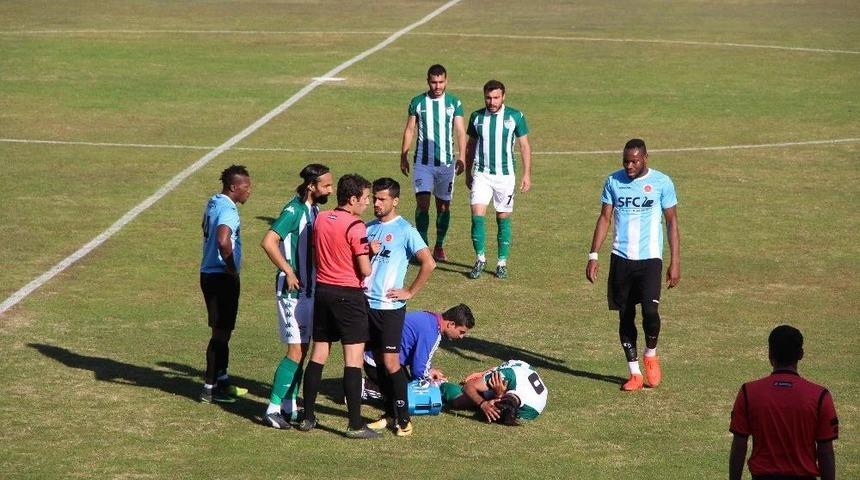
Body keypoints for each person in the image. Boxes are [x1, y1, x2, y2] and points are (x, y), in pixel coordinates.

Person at [585, 138, 680, 391]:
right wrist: (593, 255)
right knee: (625, 316)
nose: (629, 166)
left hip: (650, 260)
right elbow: (605, 218)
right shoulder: (613, 181)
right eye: (626, 161)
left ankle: (651, 354)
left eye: (634, 161)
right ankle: (635, 373)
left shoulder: (662, 182)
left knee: (650, 312)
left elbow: (672, 221)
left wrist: (675, 261)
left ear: (645, 158)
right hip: (621, 259)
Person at [298, 174, 380, 439]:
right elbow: (364, 270)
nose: (367, 203)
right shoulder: (356, 226)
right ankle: (355, 424)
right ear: (352, 199)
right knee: (353, 360)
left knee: (318, 354)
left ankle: (308, 417)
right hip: (349, 296)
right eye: (365, 198)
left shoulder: (321, 218)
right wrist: (370, 252)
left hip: (323, 292)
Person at [260, 164, 333, 429]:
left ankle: (289, 406)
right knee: (294, 351)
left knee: (302, 350)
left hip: (309, 291)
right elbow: (268, 241)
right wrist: (289, 270)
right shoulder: (293, 210)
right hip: (292, 292)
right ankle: (272, 409)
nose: (331, 190)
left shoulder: (314, 210)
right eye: (326, 185)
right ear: (311, 186)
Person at [363, 177, 436, 436]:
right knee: (373, 362)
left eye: (382, 199)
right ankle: (389, 412)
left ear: (395, 201)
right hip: (366, 305)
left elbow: (429, 263)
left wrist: (409, 292)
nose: (376, 203)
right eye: (375, 198)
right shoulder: (368, 228)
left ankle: (404, 419)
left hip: (390, 309)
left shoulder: (405, 230)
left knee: (391, 363)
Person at [729, 325, 838, 480]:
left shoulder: (748, 392)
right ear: (801, 354)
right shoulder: (820, 396)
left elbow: (739, 446)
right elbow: (825, 453)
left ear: (770, 354)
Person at [465, 79, 532, 279]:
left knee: (503, 218)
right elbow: (470, 146)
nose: (492, 102)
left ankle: (501, 263)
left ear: (503, 96)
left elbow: (524, 146)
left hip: (505, 177)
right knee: (477, 216)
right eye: (488, 97)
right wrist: (468, 172)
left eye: (496, 97)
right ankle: (480, 259)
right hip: (482, 175)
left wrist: (526, 174)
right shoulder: (476, 117)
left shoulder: (515, 116)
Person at [399, 64, 467, 262]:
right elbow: (410, 129)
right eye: (434, 82)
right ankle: (423, 247)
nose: (437, 86)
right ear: (428, 81)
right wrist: (403, 155)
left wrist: (462, 156)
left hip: (446, 164)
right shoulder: (418, 102)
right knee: (422, 204)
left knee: (443, 207)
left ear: (446, 81)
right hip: (423, 163)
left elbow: (460, 131)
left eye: (441, 82)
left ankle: (439, 245)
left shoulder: (454, 102)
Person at [199, 165, 252, 403]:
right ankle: (209, 389)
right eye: (246, 186)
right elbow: (223, 240)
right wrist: (231, 267)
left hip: (209, 274)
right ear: (233, 187)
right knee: (220, 335)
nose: (249, 191)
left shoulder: (214, 202)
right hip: (221, 277)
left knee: (224, 331)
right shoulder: (229, 210)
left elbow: (205, 227)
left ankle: (222, 380)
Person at [362, 304, 476, 399]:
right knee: (406, 396)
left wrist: (429, 370)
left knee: (407, 386)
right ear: (451, 324)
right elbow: (418, 370)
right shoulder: (432, 332)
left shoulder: (430, 318)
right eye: (461, 332)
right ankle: (364, 387)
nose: (461, 337)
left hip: (383, 358)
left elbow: (418, 359)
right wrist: (434, 383)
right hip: (378, 363)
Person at [442, 359, 547, 425]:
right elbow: (468, 386)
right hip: (515, 367)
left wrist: (498, 396)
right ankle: (440, 383)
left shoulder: (533, 410)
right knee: (460, 401)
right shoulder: (509, 376)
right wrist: (483, 404)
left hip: (523, 375)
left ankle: (484, 377)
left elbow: (506, 416)